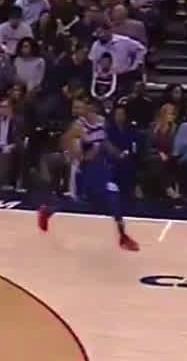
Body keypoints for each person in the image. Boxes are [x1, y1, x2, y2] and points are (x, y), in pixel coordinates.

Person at [38, 98, 141, 252]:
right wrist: (74, 152)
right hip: (86, 170)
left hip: (102, 168)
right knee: (79, 203)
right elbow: (65, 141)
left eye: (86, 109)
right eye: (82, 109)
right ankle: (48, 211)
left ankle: (123, 237)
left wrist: (117, 153)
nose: (82, 112)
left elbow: (104, 142)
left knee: (113, 200)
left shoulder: (102, 122)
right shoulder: (78, 126)